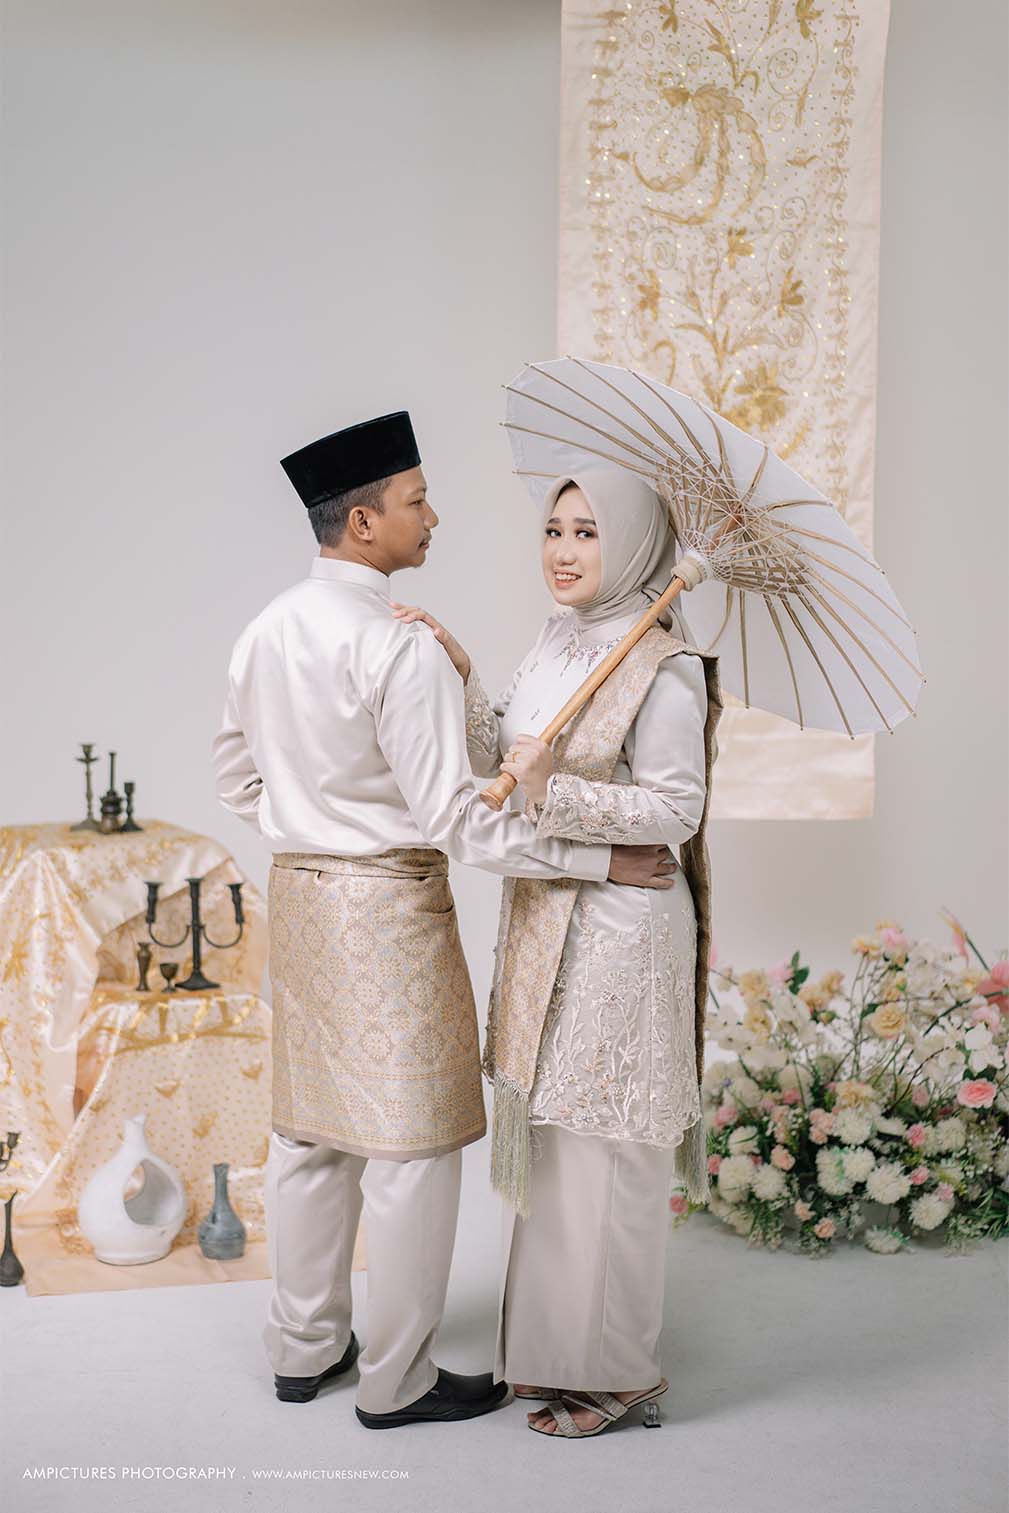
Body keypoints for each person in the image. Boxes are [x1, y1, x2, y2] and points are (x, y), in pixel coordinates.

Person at [211, 415, 675, 1431]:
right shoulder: (395, 647)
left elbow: (234, 774)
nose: (433, 516)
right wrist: (597, 859)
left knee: (308, 1131)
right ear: (365, 521)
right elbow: (464, 825)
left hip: (299, 898)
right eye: (417, 500)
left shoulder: (266, 627)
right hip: (386, 907)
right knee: (412, 1149)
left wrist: (309, 826)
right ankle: (398, 1379)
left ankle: (302, 1349)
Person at [394, 464, 720, 1439]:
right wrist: (462, 676)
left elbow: (675, 809)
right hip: (553, 917)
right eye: (554, 529)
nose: (564, 551)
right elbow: (511, 749)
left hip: (623, 930)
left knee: (607, 1150)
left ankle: (617, 1373)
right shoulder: (558, 640)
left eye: (587, 532)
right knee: (554, 1144)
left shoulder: (663, 663)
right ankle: (554, 1355)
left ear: (633, 546)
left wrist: (552, 792)